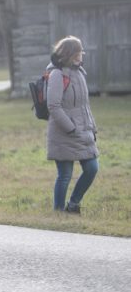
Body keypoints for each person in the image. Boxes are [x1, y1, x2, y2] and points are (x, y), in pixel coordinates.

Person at [46, 36, 99, 213]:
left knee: (92, 168)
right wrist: (71, 128)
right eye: (77, 52)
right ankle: (59, 211)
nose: (80, 55)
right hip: (64, 133)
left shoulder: (79, 73)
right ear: (68, 54)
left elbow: (84, 106)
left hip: (84, 131)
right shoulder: (56, 74)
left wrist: (92, 127)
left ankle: (73, 204)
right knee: (65, 176)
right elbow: (53, 106)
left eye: (81, 52)